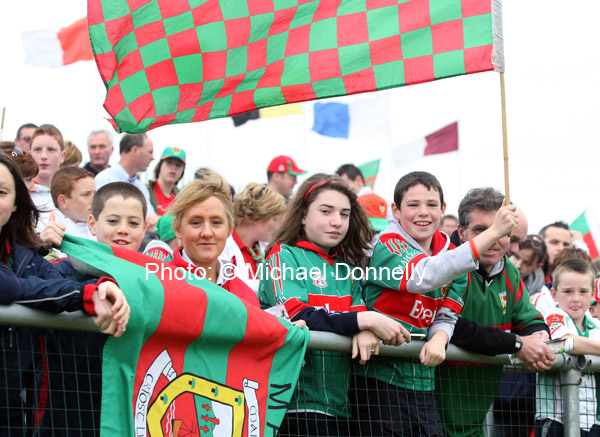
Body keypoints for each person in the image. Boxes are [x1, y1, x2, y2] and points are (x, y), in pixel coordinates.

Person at [357, 171, 519, 436]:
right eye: (413, 205)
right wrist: (494, 232)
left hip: (423, 382)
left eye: (432, 205)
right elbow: (425, 275)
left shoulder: (454, 255)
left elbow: (447, 314)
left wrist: (440, 339)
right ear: (396, 210)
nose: (424, 212)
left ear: (443, 209)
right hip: (378, 379)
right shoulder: (387, 245)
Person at [259, 173, 410, 436]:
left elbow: (357, 314)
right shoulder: (282, 255)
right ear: (303, 215)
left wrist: (363, 326)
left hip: (343, 410)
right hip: (292, 408)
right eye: (326, 211)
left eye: (344, 214)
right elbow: (299, 315)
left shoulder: (348, 268)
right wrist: (366, 322)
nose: (336, 221)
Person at [0, 151, 129, 432]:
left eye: (1, 191)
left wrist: (99, 289)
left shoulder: (22, 254)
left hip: (11, 408)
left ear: (15, 205)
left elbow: (53, 281)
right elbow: (9, 285)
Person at [436, 187, 556, 437]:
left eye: (500, 230)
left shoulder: (509, 272)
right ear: (461, 231)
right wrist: (517, 344)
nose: (493, 238)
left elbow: (531, 320)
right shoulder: (443, 263)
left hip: (474, 423)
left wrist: (538, 340)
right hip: (431, 419)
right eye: (482, 230)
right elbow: (450, 326)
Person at [168, 176, 260, 307]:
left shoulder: (245, 296)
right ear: (178, 229)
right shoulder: (159, 285)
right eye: (196, 223)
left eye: (216, 223)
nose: (207, 232)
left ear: (229, 229)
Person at [536, 259, 600, 435]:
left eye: (583, 291)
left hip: (590, 421)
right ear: (554, 294)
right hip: (555, 420)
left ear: (593, 294)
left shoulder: (595, 325)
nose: (576, 299)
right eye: (568, 291)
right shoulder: (553, 315)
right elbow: (567, 342)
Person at [219, 182, 286, 293]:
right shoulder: (223, 246)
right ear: (257, 217)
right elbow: (233, 288)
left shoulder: (264, 248)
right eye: (274, 219)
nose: (277, 226)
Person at [95, 133, 158, 230]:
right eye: (150, 152)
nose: (153, 157)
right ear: (135, 150)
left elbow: (152, 221)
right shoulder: (105, 180)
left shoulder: (141, 186)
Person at [40, 167, 96, 250]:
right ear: (63, 201)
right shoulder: (44, 226)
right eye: (86, 194)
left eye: (95, 193)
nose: (94, 200)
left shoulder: (103, 222)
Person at [88, 182, 148, 253]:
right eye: (112, 221)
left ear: (144, 229)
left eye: (133, 223)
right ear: (93, 224)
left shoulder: (151, 264)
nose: (123, 230)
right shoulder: (77, 263)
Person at [29, 124, 66, 232]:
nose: (44, 156)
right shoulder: (20, 195)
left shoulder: (74, 194)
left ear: (62, 156)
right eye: (37, 149)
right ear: (29, 154)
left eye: (51, 149)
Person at [147, 146, 186, 216]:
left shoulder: (183, 199)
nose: (173, 167)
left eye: (178, 165)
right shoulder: (145, 192)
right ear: (159, 166)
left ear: (183, 171)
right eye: (169, 162)